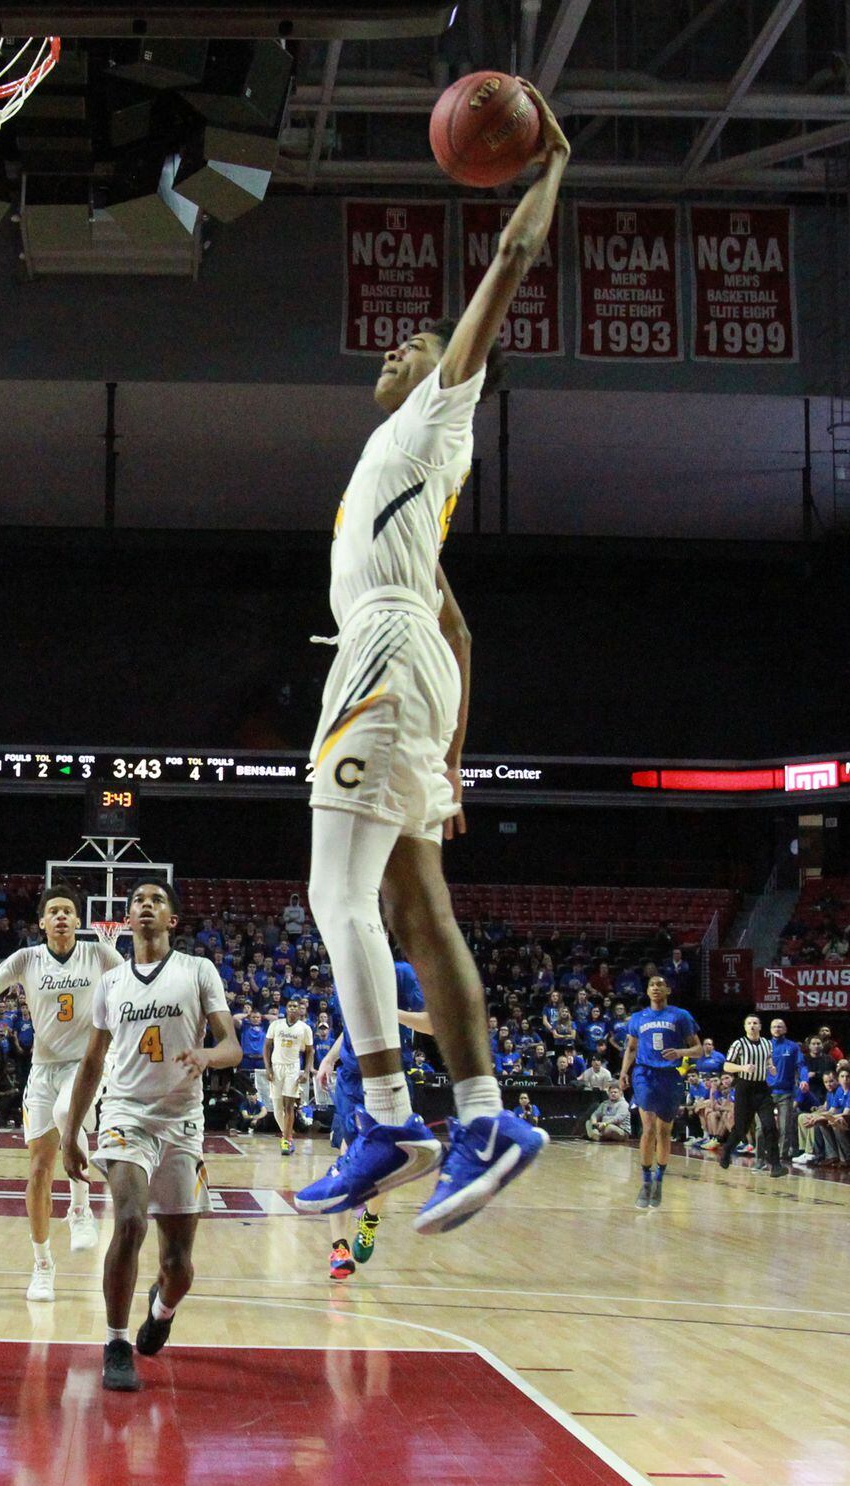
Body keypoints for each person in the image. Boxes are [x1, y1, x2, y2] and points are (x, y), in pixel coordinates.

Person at [296, 82, 569, 1234]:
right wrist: (450, 771)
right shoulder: (407, 488)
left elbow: (505, 261)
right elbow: (460, 629)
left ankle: (385, 1116)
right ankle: (481, 1115)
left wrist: (551, 159)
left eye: (418, 342)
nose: (405, 344)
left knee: (333, 889)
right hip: (411, 655)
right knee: (414, 906)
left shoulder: (433, 418)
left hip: (381, 655)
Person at [60, 877, 241, 1393]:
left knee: (178, 1266)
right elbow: (93, 1061)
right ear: (126, 918)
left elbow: (233, 1046)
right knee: (131, 1221)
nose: (145, 906)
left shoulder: (198, 971)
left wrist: (208, 1054)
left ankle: (161, 1311)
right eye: (138, 900)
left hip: (182, 1123)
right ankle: (116, 1342)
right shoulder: (111, 984)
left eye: (156, 901)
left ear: (172, 920)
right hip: (124, 1115)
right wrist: (72, 1132)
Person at [0, 885, 123, 1302]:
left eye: (68, 911)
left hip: (87, 1064)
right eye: (54, 911)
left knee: (69, 1111)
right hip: (43, 1069)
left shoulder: (99, 955)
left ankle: (80, 1209)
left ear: (78, 920)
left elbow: (132, 989)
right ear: (42, 921)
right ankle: (42, 1264)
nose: (62, 917)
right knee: (38, 1170)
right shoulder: (26, 958)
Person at [316, 960, 430, 1281]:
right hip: (351, 1080)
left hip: (390, 1077)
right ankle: (339, 1250)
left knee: (383, 1164)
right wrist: (328, 1057)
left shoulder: (402, 973)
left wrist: (390, 1013)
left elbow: (431, 1023)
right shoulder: (344, 972)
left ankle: (369, 1222)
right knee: (346, 1161)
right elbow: (351, 1027)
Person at [619, 975, 702, 1208]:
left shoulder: (681, 1016)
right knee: (648, 1129)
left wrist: (679, 1052)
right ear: (647, 991)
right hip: (645, 1074)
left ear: (668, 990)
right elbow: (632, 1047)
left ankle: (659, 1180)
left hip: (671, 1075)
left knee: (664, 1131)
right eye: (651, 985)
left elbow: (698, 1050)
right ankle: (645, 1182)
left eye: (659, 985)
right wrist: (624, 1072)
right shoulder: (637, 1018)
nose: (656, 988)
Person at [719, 1014, 786, 1179]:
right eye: (749, 1023)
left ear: (760, 1026)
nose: (752, 1026)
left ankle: (775, 1165)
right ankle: (727, 1150)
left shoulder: (766, 1043)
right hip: (744, 1088)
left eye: (755, 1023)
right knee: (741, 1128)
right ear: (745, 1027)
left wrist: (771, 1067)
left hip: (762, 1088)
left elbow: (768, 1058)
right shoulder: (739, 1043)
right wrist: (742, 1067)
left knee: (770, 1126)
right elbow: (727, 1065)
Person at [264, 999, 315, 1155]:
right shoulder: (276, 1025)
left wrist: (306, 1072)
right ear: (285, 1009)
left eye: (296, 1006)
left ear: (301, 1010)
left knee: (288, 1106)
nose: (293, 1008)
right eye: (290, 1006)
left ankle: (286, 1140)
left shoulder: (305, 1028)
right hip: (276, 1066)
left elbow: (310, 1051)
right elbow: (266, 1046)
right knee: (277, 1108)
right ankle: (288, 1136)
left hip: (292, 1068)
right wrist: (268, 1068)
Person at [767, 1018, 809, 1165]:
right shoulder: (764, 1046)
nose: (777, 1029)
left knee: (785, 1126)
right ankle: (766, 1152)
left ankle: (782, 1157)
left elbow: (802, 1065)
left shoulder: (792, 1047)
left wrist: (804, 1079)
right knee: (764, 1126)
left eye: (780, 1026)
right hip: (766, 1092)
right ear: (770, 1029)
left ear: (785, 1029)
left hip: (786, 1092)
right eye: (774, 1027)